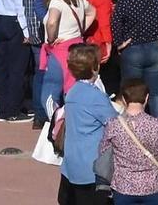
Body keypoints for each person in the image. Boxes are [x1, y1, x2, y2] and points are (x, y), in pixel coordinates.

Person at [99, 79, 158, 205]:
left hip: (123, 186)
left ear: (123, 99)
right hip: (152, 186)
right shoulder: (156, 125)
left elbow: (103, 151)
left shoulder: (113, 125)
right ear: (146, 98)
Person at [56, 46, 115, 204]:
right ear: (94, 67)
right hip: (91, 168)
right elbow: (116, 126)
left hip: (71, 164)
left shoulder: (72, 92)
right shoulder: (96, 96)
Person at [38, 0, 95, 122]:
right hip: (77, 47)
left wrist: (51, 39)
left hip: (59, 51)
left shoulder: (56, 0)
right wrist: (81, 30)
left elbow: (51, 22)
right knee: (73, 90)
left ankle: (58, 125)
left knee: (49, 94)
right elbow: (93, 12)